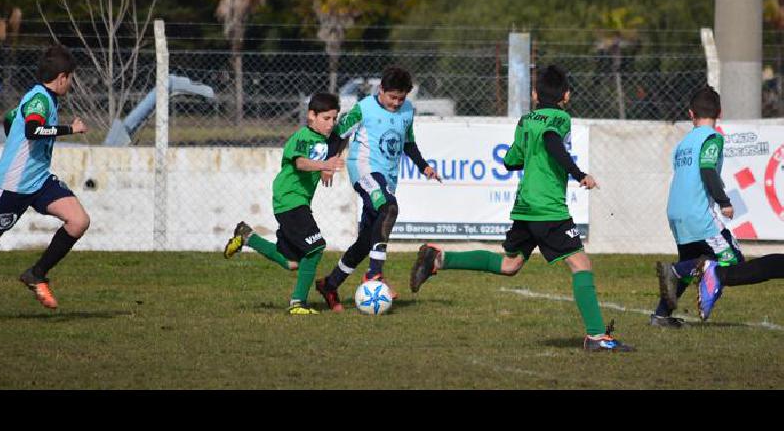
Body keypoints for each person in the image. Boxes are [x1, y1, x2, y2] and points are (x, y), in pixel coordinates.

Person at [408, 64, 634, 352]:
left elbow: (511, 160)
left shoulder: (526, 121)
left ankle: (440, 258)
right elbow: (552, 141)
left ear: (535, 93)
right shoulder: (560, 118)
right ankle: (597, 336)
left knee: (510, 264)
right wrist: (579, 174)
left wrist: (530, 155)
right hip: (548, 208)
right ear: (566, 95)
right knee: (581, 265)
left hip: (525, 207)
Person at [652, 85, 784, 324]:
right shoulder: (713, 137)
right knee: (733, 262)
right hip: (698, 214)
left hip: (675, 212)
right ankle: (679, 271)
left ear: (690, 114)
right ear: (719, 113)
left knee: (691, 264)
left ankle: (661, 314)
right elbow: (706, 167)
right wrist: (723, 201)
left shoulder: (683, 143)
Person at [313, 66, 439, 312]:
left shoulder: (407, 111)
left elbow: (408, 143)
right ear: (380, 90)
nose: (396, 103)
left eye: (401, 98)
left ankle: (330, 284)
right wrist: (327, 163)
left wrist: (424, 167)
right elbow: (339, 134)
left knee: (366, 240)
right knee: (390, 208)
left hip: (387, 178)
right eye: (392, 97)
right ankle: (375, 274)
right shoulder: (364, 108)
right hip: (364, 170)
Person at [0, 44, 89, 310]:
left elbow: (11, 120)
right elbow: (32, 130)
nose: (71, 83)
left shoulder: (39, 98)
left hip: (38, 180)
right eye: (71, 78)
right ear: (62, 77)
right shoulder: (40, 99)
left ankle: (36, 274)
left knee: (78, 221)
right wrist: (71, 129)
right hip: (10, 184)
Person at [222, 92, 344, 315]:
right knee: (316, 248)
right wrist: (324, 165)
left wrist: (330, 165)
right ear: (311, 116)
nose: (331, 124)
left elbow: (340, 138)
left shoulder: (330, 137)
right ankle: (298, 303)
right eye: (326, 119)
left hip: (297, 202)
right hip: (289, 199)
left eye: (334, 119)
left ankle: (247, 236)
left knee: (293, 262)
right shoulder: (302, 137)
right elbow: (300, 163)